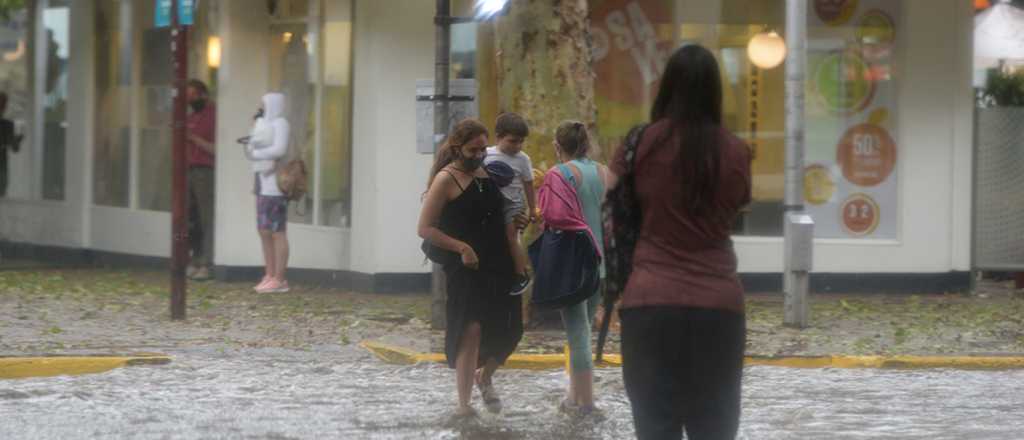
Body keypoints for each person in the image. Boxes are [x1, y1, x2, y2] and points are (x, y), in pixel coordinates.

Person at [609, 45, 752, 440]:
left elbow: (611, 206)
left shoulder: (640, 143)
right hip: (719, 307)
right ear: (716, 91)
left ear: (667, 86)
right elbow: (738, 207)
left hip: (649, 303)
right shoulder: (737, 151)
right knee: (715, 429)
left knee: (655, 428)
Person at [417, 118, 524, 418]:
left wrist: (518, 222)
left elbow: (502, 213)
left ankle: (484, 376)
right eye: (472, 150)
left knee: (510, 329)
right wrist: (461, 248)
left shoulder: (488, 173)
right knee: (471, 329)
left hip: (498, 261)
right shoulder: (445, 179)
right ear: (457, 148)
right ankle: (464, 404)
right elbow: (425, 228)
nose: (478, 155)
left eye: (482, 150)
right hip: (465, 266)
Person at [549, 120, 611, 417]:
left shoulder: (559, 174)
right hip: (600, 263)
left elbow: (553, 217)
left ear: (557, 146)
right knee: (583, 331)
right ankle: (574, 396)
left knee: (578, 335)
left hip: (572, 264)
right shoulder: (604, 172)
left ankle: (586, 403)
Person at [483, 112, 535, 295]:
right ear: (498, 137)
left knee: (511, 236)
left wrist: (532, 209)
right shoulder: (486, 154)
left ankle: (521, 274)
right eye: (513, 141)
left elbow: (529, 184)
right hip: (492, 204)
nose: (517, 146)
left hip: (513, 203)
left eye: (521, 142)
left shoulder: (523, 159)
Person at [245, 93, 291, 294]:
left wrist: (257, 153)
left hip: (276, 185)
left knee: (277, 231)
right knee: (264, 231)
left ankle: (280, 278)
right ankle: (269, 273)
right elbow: (250, 145)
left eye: (263, 104)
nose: (261, 108)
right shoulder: (262, 124)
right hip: (261, 181)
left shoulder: (281, 124)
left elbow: (279, 150)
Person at [186, 80, 217, 281]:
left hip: (205, 170)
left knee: (206, 218)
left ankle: (206, 262)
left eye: (193, 96)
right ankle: (194, 259)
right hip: (188, 169)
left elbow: (217, 148)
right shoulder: (191, 116)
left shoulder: (214, 116)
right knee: (191, 219)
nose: (190, 100)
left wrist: (194, 139)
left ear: (203, 95)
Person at [0, 92, 22, 198]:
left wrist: (17, 140)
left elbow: (15, 148)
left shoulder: (8, 124)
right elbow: (15, 148)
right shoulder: (8, 125)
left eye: (3, 104)